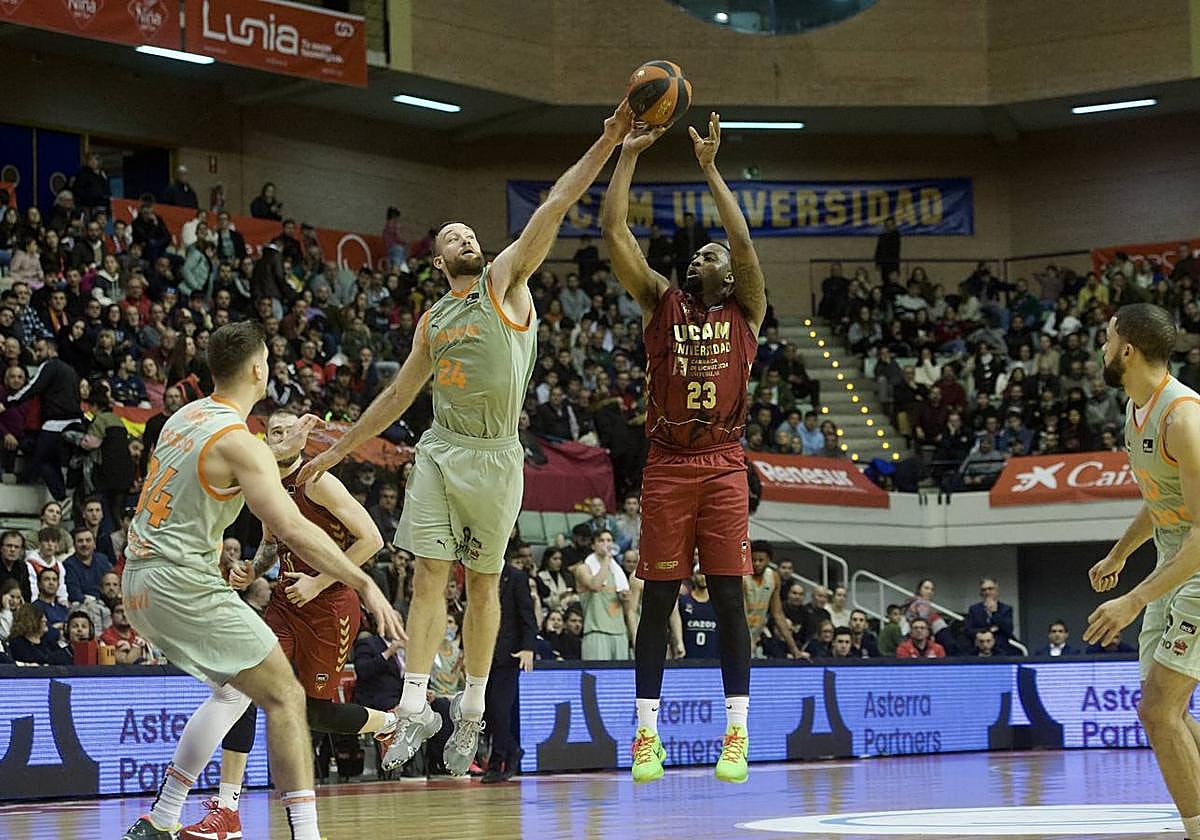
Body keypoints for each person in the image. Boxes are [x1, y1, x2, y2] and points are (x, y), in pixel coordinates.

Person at [295, 101, 635, 778]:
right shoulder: (434, 319)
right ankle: (418, 703)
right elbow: (396, 399)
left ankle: (473, 708)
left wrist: (610, 139)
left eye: (469, 231)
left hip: (497, 455)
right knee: (427, 574)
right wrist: (335, 449)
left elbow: (558, 204)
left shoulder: (504, 281)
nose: (464, 236)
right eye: (451, 234)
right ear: (438, 257)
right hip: (442, 449)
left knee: (483, 585)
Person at [119, 322, 401, 840]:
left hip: (137, 584)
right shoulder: (241, 443)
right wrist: (364, 582)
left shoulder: (186, 417)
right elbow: (292, 525)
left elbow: (228, 462)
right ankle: (306, 834)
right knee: (288, 700)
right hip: (182, 583)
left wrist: (279, 451)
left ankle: (164, 817)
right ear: (258, 368)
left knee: (234, 694)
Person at [601, 112, 767, 785]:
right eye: (699, 253)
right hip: (668, 464)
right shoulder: (659, 303)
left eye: (712, 255)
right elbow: (614, 231)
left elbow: (743, 238)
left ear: (728, 279)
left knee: (730, 599)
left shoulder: (746, 309)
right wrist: (627, 154)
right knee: (658, 602)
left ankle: (738, 733)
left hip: (723, 463)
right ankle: (646, 735)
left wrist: (709, 167)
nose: (702, 254)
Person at [179, 410, 406, 839]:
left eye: (284, 431)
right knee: (243, 686)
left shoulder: (317, 481)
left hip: (331, 608)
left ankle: (386, 723)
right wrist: (253, 569)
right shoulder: (266, 486)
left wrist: (320, 582)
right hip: (285, 604)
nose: (275, 438)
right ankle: (227, 810)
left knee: (311, 713)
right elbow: (270, 544)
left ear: (303, 437)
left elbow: (372, 539)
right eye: (271, 433)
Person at [1082, 303, 1200, 840]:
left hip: (1197, 559)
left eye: (1106, 340)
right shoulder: (1137, 411)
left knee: (1158, 710)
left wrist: (1133, 599)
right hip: (1173, 554)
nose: (1102, 350)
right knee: (1164, 712)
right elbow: (1161, 500)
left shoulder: (1183, 418)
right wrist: (1120, 554)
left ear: (1126, 349)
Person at [482, 545, 538, 783]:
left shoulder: (516, 577)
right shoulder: (480, 576)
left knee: (499, 709)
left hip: (509, 654)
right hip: (483, 655)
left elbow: (527, 615)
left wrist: (528, 648)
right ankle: (513, 750)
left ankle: (498, 762)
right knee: (487, 710)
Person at [573, 529, 636, 660]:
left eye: (609, 541)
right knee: (596, 676)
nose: (606, 544)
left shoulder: (617, 572)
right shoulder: (584, 568)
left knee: (619, 678)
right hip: (596, 631)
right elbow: (595, 586)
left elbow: (628, 608)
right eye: (601, 541)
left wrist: (625, 597)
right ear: (593, 545)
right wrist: (607, 558)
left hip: (619, 632)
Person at [743, 542, 801, 660]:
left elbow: (778, 614)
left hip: (756, 633)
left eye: (761, 560)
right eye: (753, 560)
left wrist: (794, 649)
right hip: (739, 633)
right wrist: (746, 641)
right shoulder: (742, 578)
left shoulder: (774, 577)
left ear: (769, 560)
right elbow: (739, 615)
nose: (757, 563)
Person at [964, 578, 1018, 655]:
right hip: (979, 648)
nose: (987, 592)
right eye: (984, 590)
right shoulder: (974, 609)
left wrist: (994, 612)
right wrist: (988, 630)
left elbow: (1008, 630)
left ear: (996, 591)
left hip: (1001, 648)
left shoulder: (1006, 609)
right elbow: (968, 630)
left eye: (990, 589)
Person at [678, 570, 719, 659]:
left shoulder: (718, 603)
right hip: (687, 659)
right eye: (700, 573)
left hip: (714, 659)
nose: (703, 577)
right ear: (693, 576)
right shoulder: (683, 602)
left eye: (705, 574)